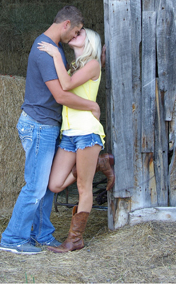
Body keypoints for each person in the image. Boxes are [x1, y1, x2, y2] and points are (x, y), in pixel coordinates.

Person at [0, 6, 100, 255]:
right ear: (66, 24)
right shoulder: (46, 51)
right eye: (75, 31)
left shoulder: (54, 50)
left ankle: (42, 234)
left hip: (49, 125)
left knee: (43, 186)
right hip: (39, 125)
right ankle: (12, 239)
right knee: (35, 186)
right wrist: (92, 106)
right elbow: (60, 94)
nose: (74, 36)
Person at [38, 27, 115, 253]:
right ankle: (100, 163)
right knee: (55, 184)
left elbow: (66, 86)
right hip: (69, 134)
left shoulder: (92, 64)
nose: (75, 35)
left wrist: (54, 55)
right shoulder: (74, 66)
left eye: (80, 34)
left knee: (83, 187)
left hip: (87, 133)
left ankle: (75, 239)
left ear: (89, 42)